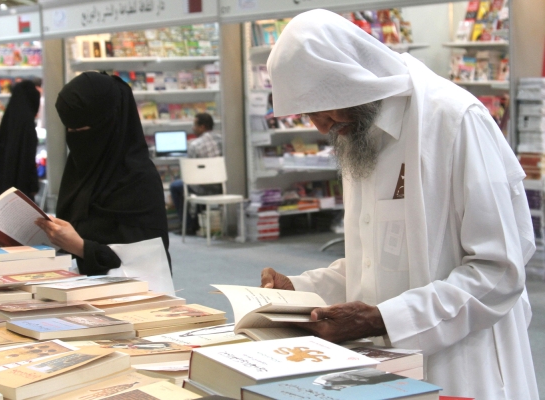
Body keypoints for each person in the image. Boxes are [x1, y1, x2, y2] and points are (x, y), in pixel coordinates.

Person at [259, 10, 537, 399]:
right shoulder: (358, 134)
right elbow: (377, 260)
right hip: (385, 363)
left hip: (465, 364)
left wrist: (383, 319)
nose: (321, 126)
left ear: (352, 79)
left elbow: (500, 271)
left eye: (323, 108)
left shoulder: (453, 121)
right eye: (308, 114)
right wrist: (304, 290)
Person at [35, 72, 170, 276]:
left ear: (108, 125)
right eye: (70, 131)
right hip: (73, 289)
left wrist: (81, 247)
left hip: (127, 300)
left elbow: (146, 261)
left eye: (82, 130)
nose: (77, 139)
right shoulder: (80, 170)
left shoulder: (138, 179)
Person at [169, 112, 222, 234]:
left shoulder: (194, 144)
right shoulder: (222, 140)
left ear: (202, 127)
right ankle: (199, 223)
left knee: (176, 186)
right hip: (221, 185)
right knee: (194, 183)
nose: (193, 128)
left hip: (202, 187)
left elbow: (190, 174)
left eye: (194, 125)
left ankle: (188, 226)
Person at [0, 80, 41, 201]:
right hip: (23, 187)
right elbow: (29, 159)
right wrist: (33, 184)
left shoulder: (7, 120)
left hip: (3, 185)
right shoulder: (28, 124)